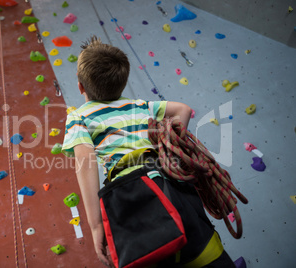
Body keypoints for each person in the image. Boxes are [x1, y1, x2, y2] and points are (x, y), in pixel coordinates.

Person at [62, 36, 235, 267]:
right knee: (207, 255)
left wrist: (96, 226)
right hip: (172, 186)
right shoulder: (139, 106)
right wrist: (171, 145)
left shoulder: (79, 117)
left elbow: (85, 159)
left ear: (80, 86)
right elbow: (183, 109)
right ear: (122, 83)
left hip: (132, 197)